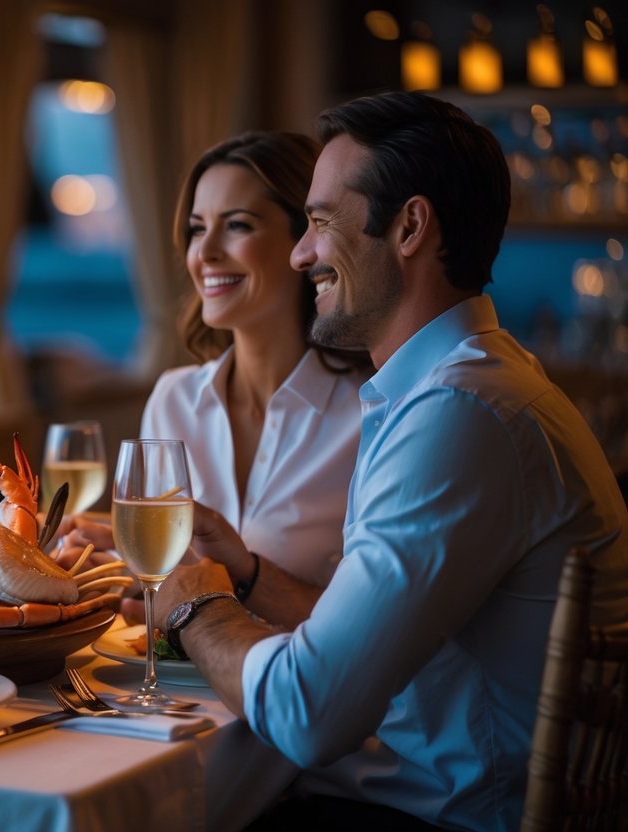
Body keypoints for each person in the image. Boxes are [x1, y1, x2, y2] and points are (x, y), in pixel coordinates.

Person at [152, 91, 628, 831]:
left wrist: (193, 602)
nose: (301, 253)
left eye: (316, 223)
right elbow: (366, 636)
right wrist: (245, 574)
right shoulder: (459, 390)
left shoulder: (459, 417)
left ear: (409, 227)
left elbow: (306, 714)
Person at [57, 131, 368, 620]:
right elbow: (168, 580)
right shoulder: (173, 398)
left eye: (237, 225)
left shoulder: (368, 413)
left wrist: (238, 573)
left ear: (305, 242)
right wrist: (113, 566)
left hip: (311, 695)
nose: (205, 254)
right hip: (180, 693)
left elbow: (375, 626)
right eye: (198, 229)